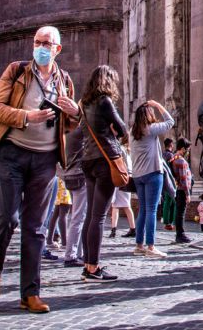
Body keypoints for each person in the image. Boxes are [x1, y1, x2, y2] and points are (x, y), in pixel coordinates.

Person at [0, 26, 80, 313]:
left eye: (47, 43)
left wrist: (74, 112)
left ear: (58, 49)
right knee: (7, 219)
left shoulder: (65, 81)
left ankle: (30, 293)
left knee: (36, 228)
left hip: (45, 160)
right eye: (37, 42)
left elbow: (69, 124)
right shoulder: (16, 71)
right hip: (12, 153)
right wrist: (28, 116)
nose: (41, 47)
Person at [80, 64, 128, 282]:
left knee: (91, 214)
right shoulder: (105, 101)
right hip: (105, 161)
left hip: (88, 159)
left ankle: (87, 263)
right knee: (98, 216)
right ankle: (93, 267)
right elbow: (123, 129)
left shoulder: (85, 103)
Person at [129, 99, 174, 258]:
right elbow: (170, 121)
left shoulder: (132, 132)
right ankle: (151, 246)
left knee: (143, 210)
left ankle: (139, 245)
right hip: (152, 173)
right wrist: (158, 105)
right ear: (148, 115)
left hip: (138, 176)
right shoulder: (151, 129)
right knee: (152, 210)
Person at [62, 125, 86, 267]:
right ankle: (70, 255)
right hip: (79, 175)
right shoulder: (80, 130)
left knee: (78, 216)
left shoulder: (67, 131)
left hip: (69, 174)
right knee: (78, 216)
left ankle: (78, 253)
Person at [170, 137, 193, 243]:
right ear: (183, 148)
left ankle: (179, 233)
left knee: (179, 212)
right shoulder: (181, 161)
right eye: (187, 149)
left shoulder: (173, 158)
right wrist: (188, 194)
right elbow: (183, 178)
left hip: (177, 188)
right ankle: (180, 234)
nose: (188, 152)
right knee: (181, 212)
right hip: (182, 189)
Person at [46, 177, 71, 248]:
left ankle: (50, 240)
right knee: (63, 214)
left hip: (59, 182)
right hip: (64, 182)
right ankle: (64, 243)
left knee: (56, 214)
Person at [161, 138, 176, 231]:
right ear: (171, 145)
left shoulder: (162, 155)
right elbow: (173, 170)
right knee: (174, 202)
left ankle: (166, 221)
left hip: (163, 180)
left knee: (166, 202)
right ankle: (173, 222)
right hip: (171, 180)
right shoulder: (171, 156)